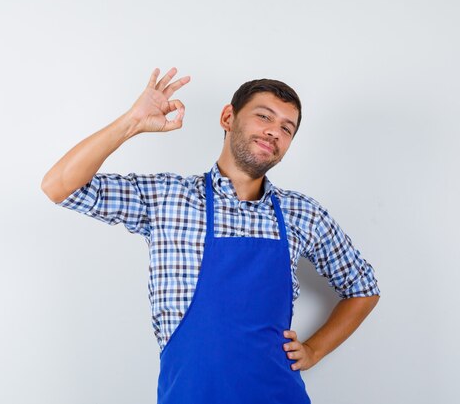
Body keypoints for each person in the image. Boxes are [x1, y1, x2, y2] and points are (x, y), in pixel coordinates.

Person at [41, 67, 380, 404]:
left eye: (286, 128)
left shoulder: (302, 214)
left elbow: (363, 288)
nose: (274, 131)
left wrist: (313, 351)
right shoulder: (166, 198)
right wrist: (133, 121)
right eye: (264, 116)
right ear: (228, 117)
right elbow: (59, 187)